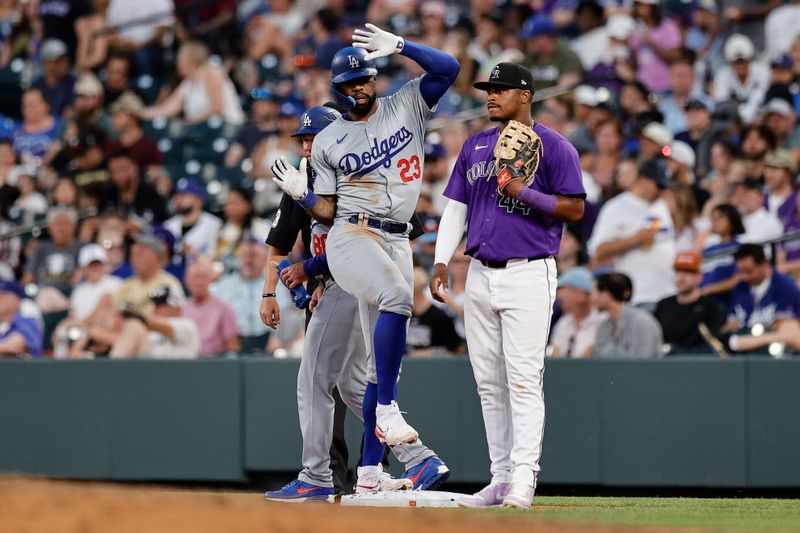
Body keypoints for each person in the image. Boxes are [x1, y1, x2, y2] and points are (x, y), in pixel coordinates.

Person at [269, 29, 459, 496]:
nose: (358, 87)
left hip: (396, 237)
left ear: (373, 77)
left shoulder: (405, 103)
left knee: (373, 370)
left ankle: (372, 473)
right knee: (397, 299)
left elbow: (448, 69)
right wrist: (304, 195)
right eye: (348, 83)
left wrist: (402, 47)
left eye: (363, 79)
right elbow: (328, 214)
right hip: (352, 233)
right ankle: (380, 425)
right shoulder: (332, 138)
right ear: (339, 90)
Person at [429, 62, 585, 509]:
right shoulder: (476, 145)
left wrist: (523, 191)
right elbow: (456, 206)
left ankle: (524, 479)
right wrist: (442, 260)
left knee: (522, 380)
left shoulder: (555, 146)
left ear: (525, 95)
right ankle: (498, 479)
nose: (491, 96)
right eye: (488, 89)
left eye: (501, 89)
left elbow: (574, 209)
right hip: (479, 273)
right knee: (488, 383)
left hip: (529, 270)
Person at [588, 159, 676, 308]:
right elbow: (598, 250)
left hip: (669, 292)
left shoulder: (661, 206)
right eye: (659, 185)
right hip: (640, 294)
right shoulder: (616, 207)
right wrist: (635, 239)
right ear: (643, 180)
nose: (662, 191)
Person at [141, 40, 245, 125]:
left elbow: (217, 107)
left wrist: (189, 123)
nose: (177, 64)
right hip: (202, 129)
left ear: (191, 60)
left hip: (227, 125)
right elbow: (167, 109)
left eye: (180, 59)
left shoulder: (210, 73)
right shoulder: (187, 84)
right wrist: (140, 112)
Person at [724, 244, 800, 354]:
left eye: (749, 271)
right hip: (745, 338)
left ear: (765, 264)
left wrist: (744, 341)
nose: (745, 277)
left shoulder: (785, 284)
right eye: (741, 272)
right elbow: (731, 324)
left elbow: (785, 325)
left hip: (776, 344)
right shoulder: (740, 287)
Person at [654, 252, 726, 354]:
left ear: (699, 276)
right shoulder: (663, 305)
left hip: (696, 363)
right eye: (678, 271)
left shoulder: (711, 307)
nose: (681, 277)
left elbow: (711, 344)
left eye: (688, 272)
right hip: (664, 361)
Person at [212, 238, 272, 353]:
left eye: (253, 255)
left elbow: (286, 315)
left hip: (268, 341)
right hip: (231, 342)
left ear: (265, 260)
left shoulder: (274, 284)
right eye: (244, 255)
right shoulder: (223, 285)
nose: (248, 261)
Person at [110, 285, 200, 359]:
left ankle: (112, 372)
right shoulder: (150, 329)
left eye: (161, 305)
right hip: (149, 373)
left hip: (180, 374)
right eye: (155, 305)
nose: (156, 309)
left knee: (134, 326)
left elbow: (161, 325)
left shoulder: (187, 325)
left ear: (176, 307)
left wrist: (132, 313)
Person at [593, 272, 664, 359]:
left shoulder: (641, 322)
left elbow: (641, 363)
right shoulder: (604, 326)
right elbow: (600, 360)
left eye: (594, 293)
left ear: (606, 295)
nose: (592, 299)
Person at [182, 260, 240, 357]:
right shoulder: (181, 307)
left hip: (214, 362)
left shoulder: (223, 307)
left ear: (211, 280)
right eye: (195, 277)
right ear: (186, 280)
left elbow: (233, 345)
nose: (199, 282)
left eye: (203, 277)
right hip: (185, 361)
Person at [549, 267, 605, 358]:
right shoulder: (563, 323)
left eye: (563, 288)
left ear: (580, 294)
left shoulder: (602, 321)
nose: (559, 295)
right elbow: (556, 356)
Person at [407, 267, 464, 356]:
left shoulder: (439, 317)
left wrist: (431, 352)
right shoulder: (405, 315)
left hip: (434, 366)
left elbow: (457, 349)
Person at [163, 178, 222, 260]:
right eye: (177, 195)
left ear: (199, 200)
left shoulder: (214, 224)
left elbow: (218, 258)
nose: (179, 199)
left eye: (184, 195)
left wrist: (196, 254)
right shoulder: (167, 225)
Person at [30, 38, 76, 117]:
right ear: (45, 62)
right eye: (57, 61)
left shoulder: (75, 83)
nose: (63, 64)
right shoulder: (36, 86)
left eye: (64, 60)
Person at [0, 280, 43, 357]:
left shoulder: (28, 322)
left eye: (2, 296)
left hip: (23, 368)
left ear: (17, 300)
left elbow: (13, 346)